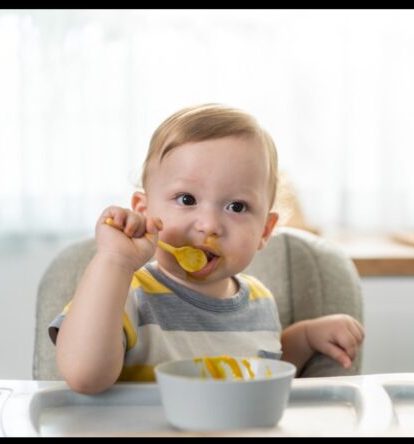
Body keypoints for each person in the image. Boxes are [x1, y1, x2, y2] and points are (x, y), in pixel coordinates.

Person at [50, 104, 364, 394]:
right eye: (187, 199)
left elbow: (258, 370)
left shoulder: (259, 302)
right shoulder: (124, 292)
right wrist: (114, 261)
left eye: (237, 206)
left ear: (264, 231)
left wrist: (305, 338)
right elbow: (84, 376)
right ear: (144, 211)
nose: (209, 224)